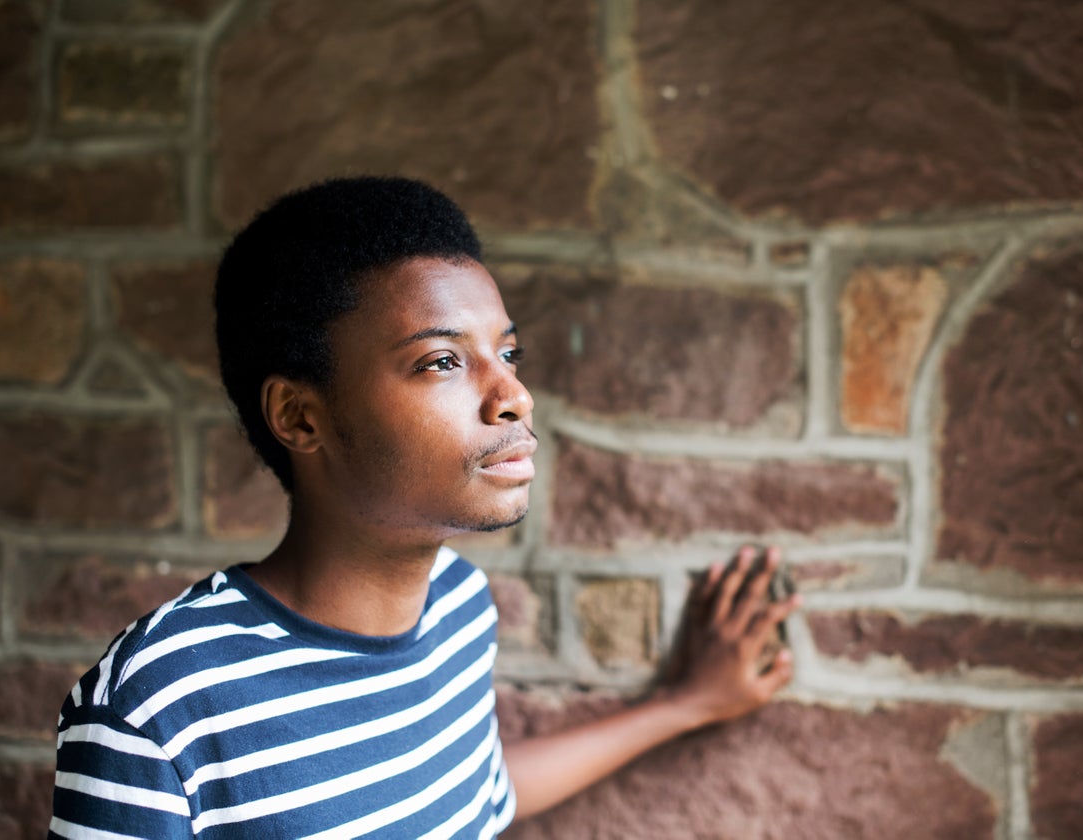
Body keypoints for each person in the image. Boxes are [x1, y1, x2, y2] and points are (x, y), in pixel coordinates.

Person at [49, 177, 800, 838]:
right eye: (441, 361)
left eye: (508, 354)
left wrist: (687, 704)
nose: (513, 396)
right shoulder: (157, 709)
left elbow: (470, 798)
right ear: (301, 417)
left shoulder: (458, 606)